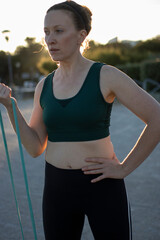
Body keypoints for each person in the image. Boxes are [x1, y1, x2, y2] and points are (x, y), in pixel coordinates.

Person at [0, 1, 160, 239]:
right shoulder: (44, 86)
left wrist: (124, 168)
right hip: (56, 188)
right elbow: (35, 147)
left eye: (59, 30)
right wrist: (10, 106)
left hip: (102, 185)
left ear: (81, 35)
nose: (49, 39)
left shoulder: (106, 75)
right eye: (46, 32)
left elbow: (156, 116)